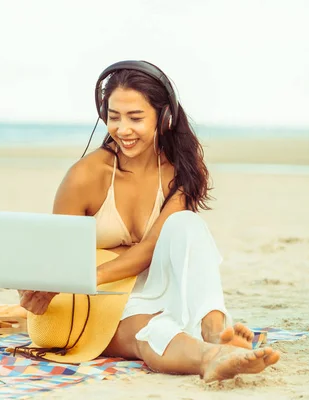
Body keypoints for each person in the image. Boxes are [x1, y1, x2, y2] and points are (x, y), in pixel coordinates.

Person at [18, 60, 280, 382]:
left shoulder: (179, 170)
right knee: (152, 328)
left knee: (186, 224)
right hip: (99, 299)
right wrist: (45, 285)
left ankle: (214, 332)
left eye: (136, 118)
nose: (122, 129)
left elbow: (152, 248)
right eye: (114, 117)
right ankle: (211, 356)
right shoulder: (85, 176)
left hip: (156, 284)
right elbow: (61, 259)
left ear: (164, 116)